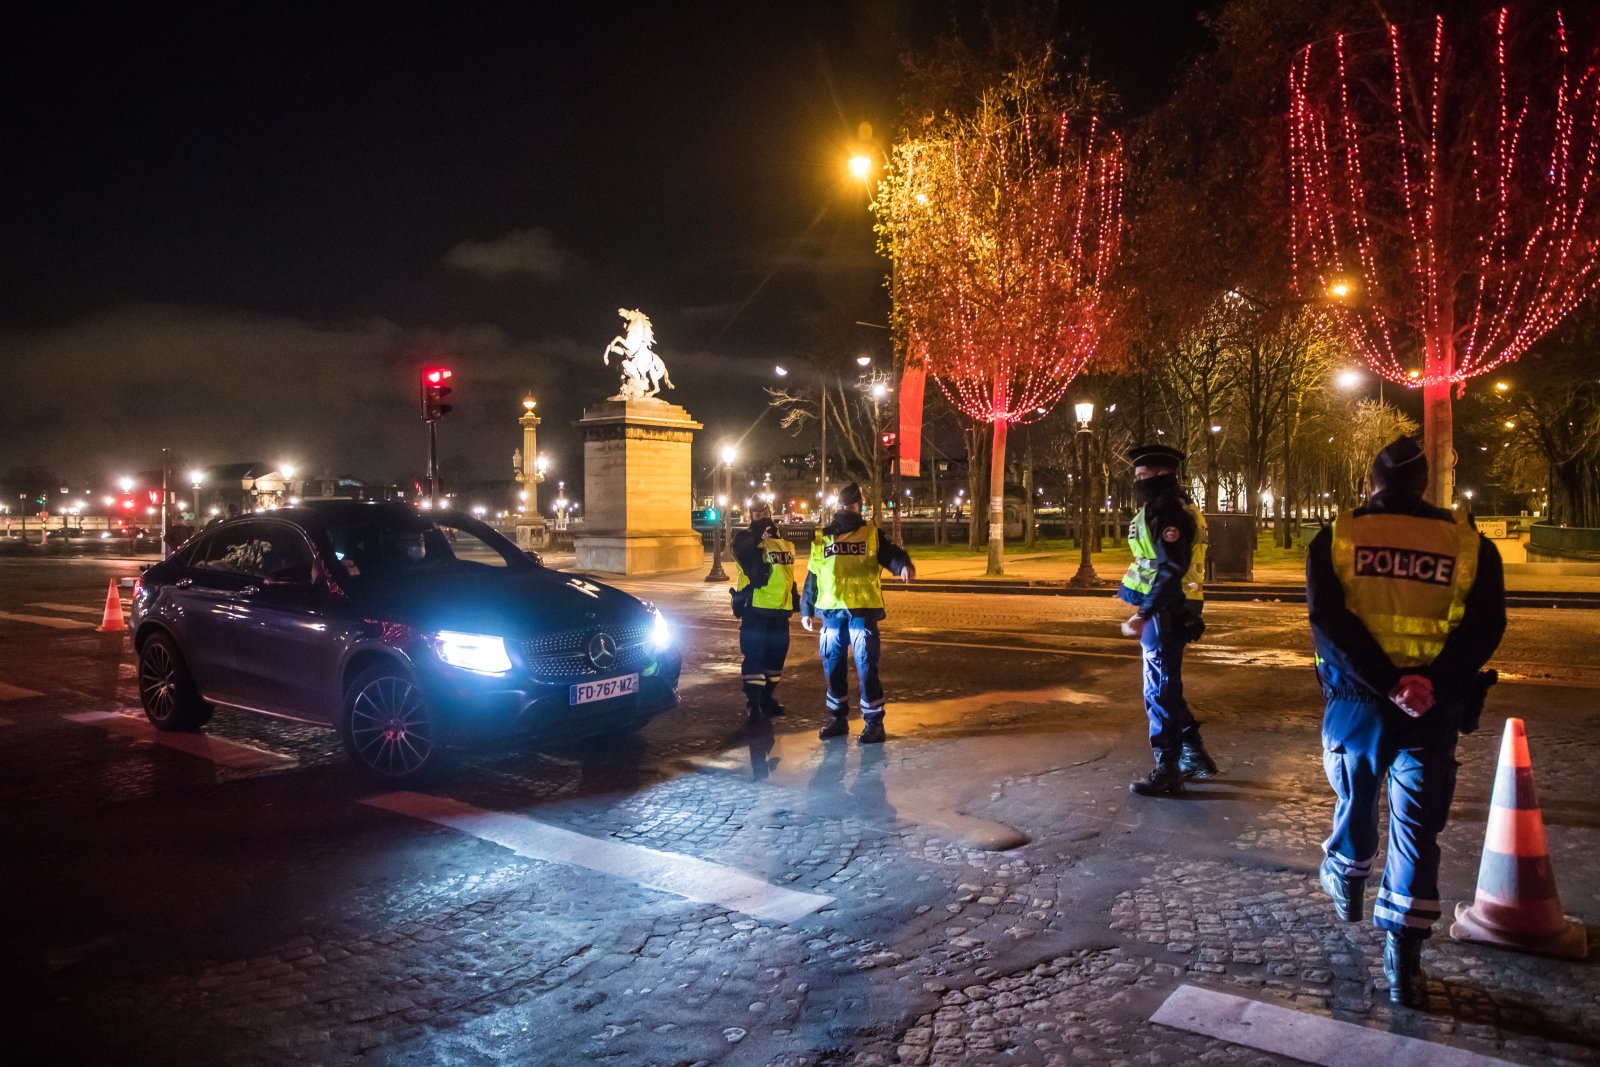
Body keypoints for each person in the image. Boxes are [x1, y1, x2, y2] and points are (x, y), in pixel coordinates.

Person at [1307, 435, 1505, 1009]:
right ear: (1425, 486)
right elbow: (1486, 624)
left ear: (1372, 482)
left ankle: (1346, 872)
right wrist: (1431, 684)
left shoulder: (1340, 537)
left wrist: (1385, 681)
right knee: (1417, 828)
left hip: (1357, 701)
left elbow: (1328, 621)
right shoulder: (1468, 543)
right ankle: (1404, 960)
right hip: (1433, 708)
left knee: (1355, 793)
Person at [1117, 443, 1219, 796]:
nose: (1139, 483)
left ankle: (1168, 769)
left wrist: (1144, 613)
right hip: (1177, 604)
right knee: (1166, 687)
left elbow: (1171, 566)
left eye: (1142, 477)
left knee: (1158, 690)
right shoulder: (1179, 506)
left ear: (1159, 475)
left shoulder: (1167, 510)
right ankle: (1193, 755)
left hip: (1167, 607)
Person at [800, 482, 915, 744]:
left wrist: (902, 565)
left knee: (843, 667)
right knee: (854, 667)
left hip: (850, 612)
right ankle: (853, 721)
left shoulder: (837, 536)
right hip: (846, 612)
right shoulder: (839, 535)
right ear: (857, 505)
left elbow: (812, 577)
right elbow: (890, 555)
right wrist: (903, 565)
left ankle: (859, 722)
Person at [730, 499, 798, 720]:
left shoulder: (783, 541)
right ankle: (754, 704)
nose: (762, 517)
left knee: (775, 662)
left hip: (780, 610)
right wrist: (759, 531)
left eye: (765, 513)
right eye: (756, 515)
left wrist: (795, 596)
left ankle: (767, 698)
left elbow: (786, 574)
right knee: (755, 659)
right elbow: (743, 550)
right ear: (750, 516)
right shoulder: (745, 539)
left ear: (772, 512)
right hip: (755, 608)